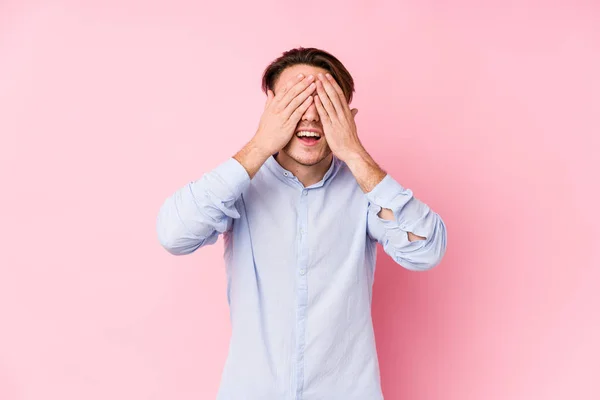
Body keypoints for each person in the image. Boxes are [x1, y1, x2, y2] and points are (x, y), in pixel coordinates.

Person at [156, 47, 447, 400]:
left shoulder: (366, 190)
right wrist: (260, 144)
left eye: (325, 102)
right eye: (295, 100)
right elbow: (174, 235)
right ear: (270, 110)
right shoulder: (238, 186)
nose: (309, 115)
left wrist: (355, 153)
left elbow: (426, 250)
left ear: (348, 115)